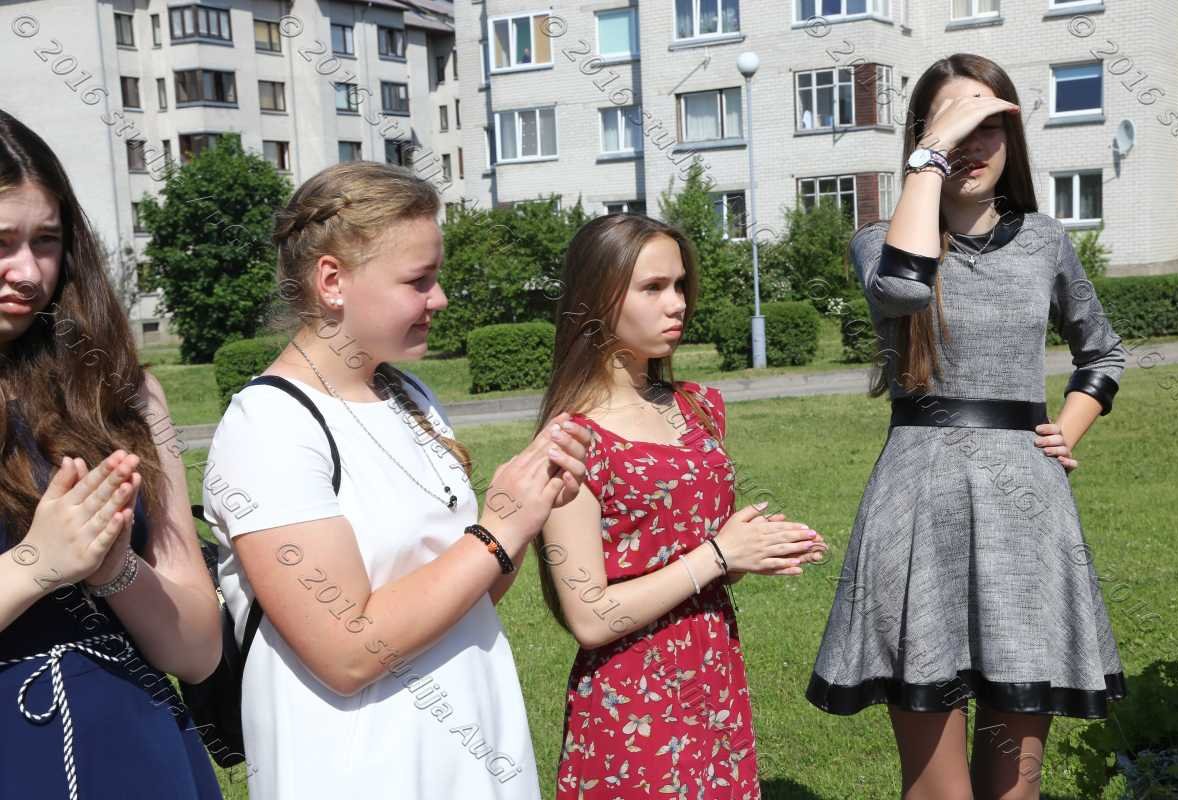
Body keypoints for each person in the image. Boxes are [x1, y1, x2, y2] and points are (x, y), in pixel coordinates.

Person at [202, 161, 592, 798]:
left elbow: (468, 594)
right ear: (333, 281)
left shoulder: (408, 396)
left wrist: (526, 510)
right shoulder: (270, 426)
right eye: (419, 280)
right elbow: (347, 652)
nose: (439, 299)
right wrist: (497, 530)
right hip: (363, 767)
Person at [804, 54, 1128, 800]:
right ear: (925, 135)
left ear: (1013, 140)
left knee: (1015, 788)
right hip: (919, 505)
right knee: (939, 792)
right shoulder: (878, 241)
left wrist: (1068, 427)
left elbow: (1102, 352)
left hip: (1027, 510)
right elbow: (903, 289)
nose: (974, 144)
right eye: (957, 124)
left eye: (990, 125)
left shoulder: (1044, 240)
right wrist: (928, 161)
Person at [536, 214, 828, 799]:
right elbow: (590, 618)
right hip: (632, 697)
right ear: (596, 298)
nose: (677, 304)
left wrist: (751, 550)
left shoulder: (697, 408)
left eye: (679, 285)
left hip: (713, 670)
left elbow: (682, 553)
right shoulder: (572, 441)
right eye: (652, 288)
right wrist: (719, 555)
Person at [0, 110, 223, 798]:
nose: (28, 272)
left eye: (47, 241)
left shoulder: (122, 392)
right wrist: (39, 563)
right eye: (1, 242)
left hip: (140, 748)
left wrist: (115, 570)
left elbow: (198, 651)